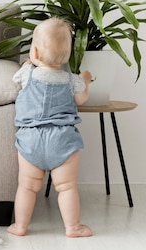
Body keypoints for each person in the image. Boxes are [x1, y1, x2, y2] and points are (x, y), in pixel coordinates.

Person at [7, 17, 93, 238]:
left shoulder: (27, 74)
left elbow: (16, 79)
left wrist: (28, 63)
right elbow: (81, 99)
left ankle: (20, 226)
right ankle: (73, 227)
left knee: (26, 186)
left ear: (34, 53)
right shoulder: (71, 80)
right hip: (62, 140)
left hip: (30, 140)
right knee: (66, 187)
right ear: (67, 55)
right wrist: (86, 81)